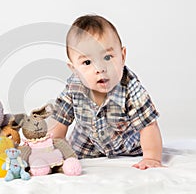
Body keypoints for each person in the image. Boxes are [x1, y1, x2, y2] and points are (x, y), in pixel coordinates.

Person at [48, 14, 163, 170]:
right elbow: (60, 120)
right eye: (87, 62)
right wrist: (53, 150)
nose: (100, 68)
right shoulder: (73, 86)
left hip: (128, 148)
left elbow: (148, 125)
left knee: (145, 140)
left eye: (107, 57)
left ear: (122, 57)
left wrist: (151, 157)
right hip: (85, 147)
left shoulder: (131, 87)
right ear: (74, 69)